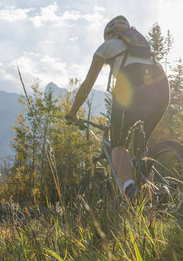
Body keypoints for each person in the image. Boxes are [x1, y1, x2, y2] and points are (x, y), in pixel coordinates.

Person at [65, 16, 170, 201]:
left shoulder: (107, 46)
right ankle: (151, 194)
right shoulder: (140, 46)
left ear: (107, 35)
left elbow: (87, 84)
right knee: (142, 146)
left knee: (118, 144)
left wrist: (72, 112)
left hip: (132, 82)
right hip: (161, 85)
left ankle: (130, 190)